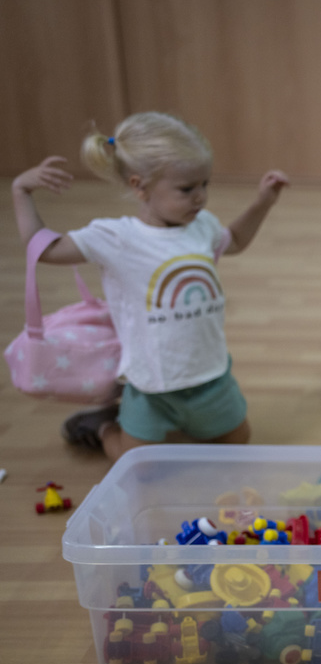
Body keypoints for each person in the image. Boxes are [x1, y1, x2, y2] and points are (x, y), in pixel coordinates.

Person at [10, 112, 289, 462]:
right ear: (139, 186)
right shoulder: (116, 237)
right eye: (187, 189)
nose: (200, 197)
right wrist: (21, 191)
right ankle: (103, 427)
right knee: (136, 466)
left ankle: (182, 422)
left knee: (238, 443)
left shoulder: (201, 225)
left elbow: (233, 242)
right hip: (151, 385)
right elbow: (45, 249)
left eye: (205, 184)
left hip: (211, 376)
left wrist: (263, 202)